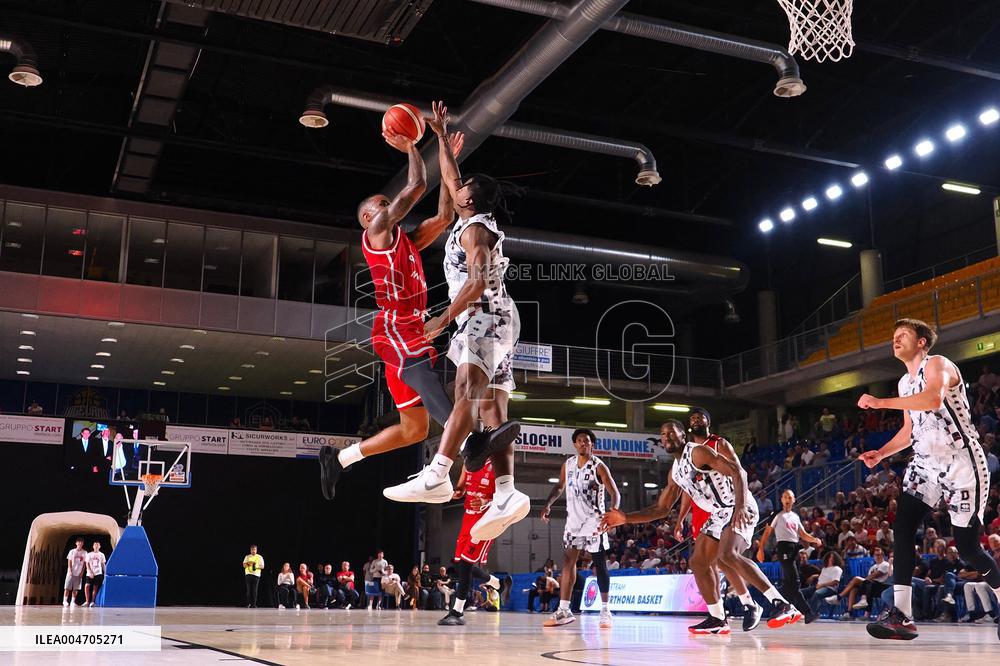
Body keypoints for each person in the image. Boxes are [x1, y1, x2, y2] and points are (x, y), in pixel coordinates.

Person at [320, 110, 518, 502]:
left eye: (385, 203)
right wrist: (412, 145)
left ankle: (339, 458)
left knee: (414, 429)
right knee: (422, 370)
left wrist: (450, 165)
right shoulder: (376, 233)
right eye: (380, 204)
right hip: (396, 325)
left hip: (409, 324)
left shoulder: (408, 241)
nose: (387, 206)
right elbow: (415, 184)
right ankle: (471, 444)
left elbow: (445, 214)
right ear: (367, 219)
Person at [383, 101, 528, 541]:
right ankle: (507, 492)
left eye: (463, 186)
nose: (456, 186)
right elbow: (448, 177)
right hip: (499, 321)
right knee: (493, 412)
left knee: (466, 391)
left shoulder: (476, 229)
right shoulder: (471, 218)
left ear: (472, 200)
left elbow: (479, 283)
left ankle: (439, 472)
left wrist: (442, 319)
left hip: (482, 317)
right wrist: (442, 138)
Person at [859, 318, 1000, 641]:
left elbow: (933, 400)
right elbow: (910, 432)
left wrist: (880, 403)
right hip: (926, 464)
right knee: (903, 525)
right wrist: (881, 453)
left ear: (922, 341)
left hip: (962, 463)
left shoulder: (937, 364)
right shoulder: (903, 383)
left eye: (903, 335)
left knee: (968, 549)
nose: (895, 340)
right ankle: (903, 615)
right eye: (893, 336)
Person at [601, 411, 801, 635]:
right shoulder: (675, 472)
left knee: (728, 554)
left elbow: (739, 472)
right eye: (662, 434)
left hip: (737, 505)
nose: (666, 437)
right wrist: (626, 518)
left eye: (670, 432)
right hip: (717, 513)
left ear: (682, 435)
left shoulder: (698, 452)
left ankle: (782, 604)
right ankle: (717, 618)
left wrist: (741, 506)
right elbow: (661, 508)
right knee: (698, 562)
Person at [540, 428, 620, 629]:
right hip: (573, 523)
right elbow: (559, 486)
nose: (583, 443)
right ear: (575, 444)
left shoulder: (599, 466)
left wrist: (614, 511)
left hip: (595, 522)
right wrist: (548, 503)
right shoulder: (567, 465)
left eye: (586, 440)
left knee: (599, 564)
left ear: (592, 444)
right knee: (568, 563)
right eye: (579, 440)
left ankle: (605, 610)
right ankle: (564, 610)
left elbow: (615, 492)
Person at [438, 459, 500, 626]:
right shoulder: (469, 461)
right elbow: (461, 487)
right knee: (459, 564)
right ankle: (493, 581)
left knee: (465, 565)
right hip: (467, 517)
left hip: (485, 520)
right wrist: (456, 492)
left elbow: (506, 497)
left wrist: (484, 502)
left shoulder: (499, 462)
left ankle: (457, 612)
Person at [757, 489, 824, 623]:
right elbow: (767, 532)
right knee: (795, 581)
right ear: (781, 499)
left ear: (794, 500)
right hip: (783, 548)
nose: (787, 499)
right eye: (785, 497)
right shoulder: (777, 514)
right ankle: (807, 612)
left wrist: (815, 540)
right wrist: (761, 549)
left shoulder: (795, 516)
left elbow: (803, 534)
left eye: (790, 497)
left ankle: (777, 610)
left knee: (789, 586)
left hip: (794, 549)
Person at [826, 546, 892, 618]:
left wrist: (862, 581)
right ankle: (849, 612)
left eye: (879, 555)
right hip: (872, 586)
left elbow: (875, 575)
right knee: (855, 588)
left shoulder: (885, 564)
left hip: (882, 587)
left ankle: (839, 597)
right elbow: (869, 579)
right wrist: (863, 582)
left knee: (856, 579)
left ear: (882, 555)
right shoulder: (872, 567)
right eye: (876, 555)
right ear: (873, 556)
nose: (877, 556)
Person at [63, 537, 87, 607]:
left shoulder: (84, 552)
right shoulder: (72, 551)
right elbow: (69, 561)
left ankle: (72, 602)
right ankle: (65, 601)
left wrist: (82, 571)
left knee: (75, 588)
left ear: (82, 544)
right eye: (78, 542)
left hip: (79, 573)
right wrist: (70, 570)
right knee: (67, 587)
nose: (80, 543)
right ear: (76, 543)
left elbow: (84, 563)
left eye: (81, 542)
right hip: (71, 572)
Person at [83, 541, 106, 608]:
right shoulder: (89, 554)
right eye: (95, 545)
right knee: (87, 586)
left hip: (98, 572)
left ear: (99, 546)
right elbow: (87, 563)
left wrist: (105, 572)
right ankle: (87, 601)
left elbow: (103, 564)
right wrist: (90, 571)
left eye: (97, 545)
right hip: (90, 573)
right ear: (93, 546)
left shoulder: (102, 554)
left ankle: (92, 601)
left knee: (95, 587)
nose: (96, 546)